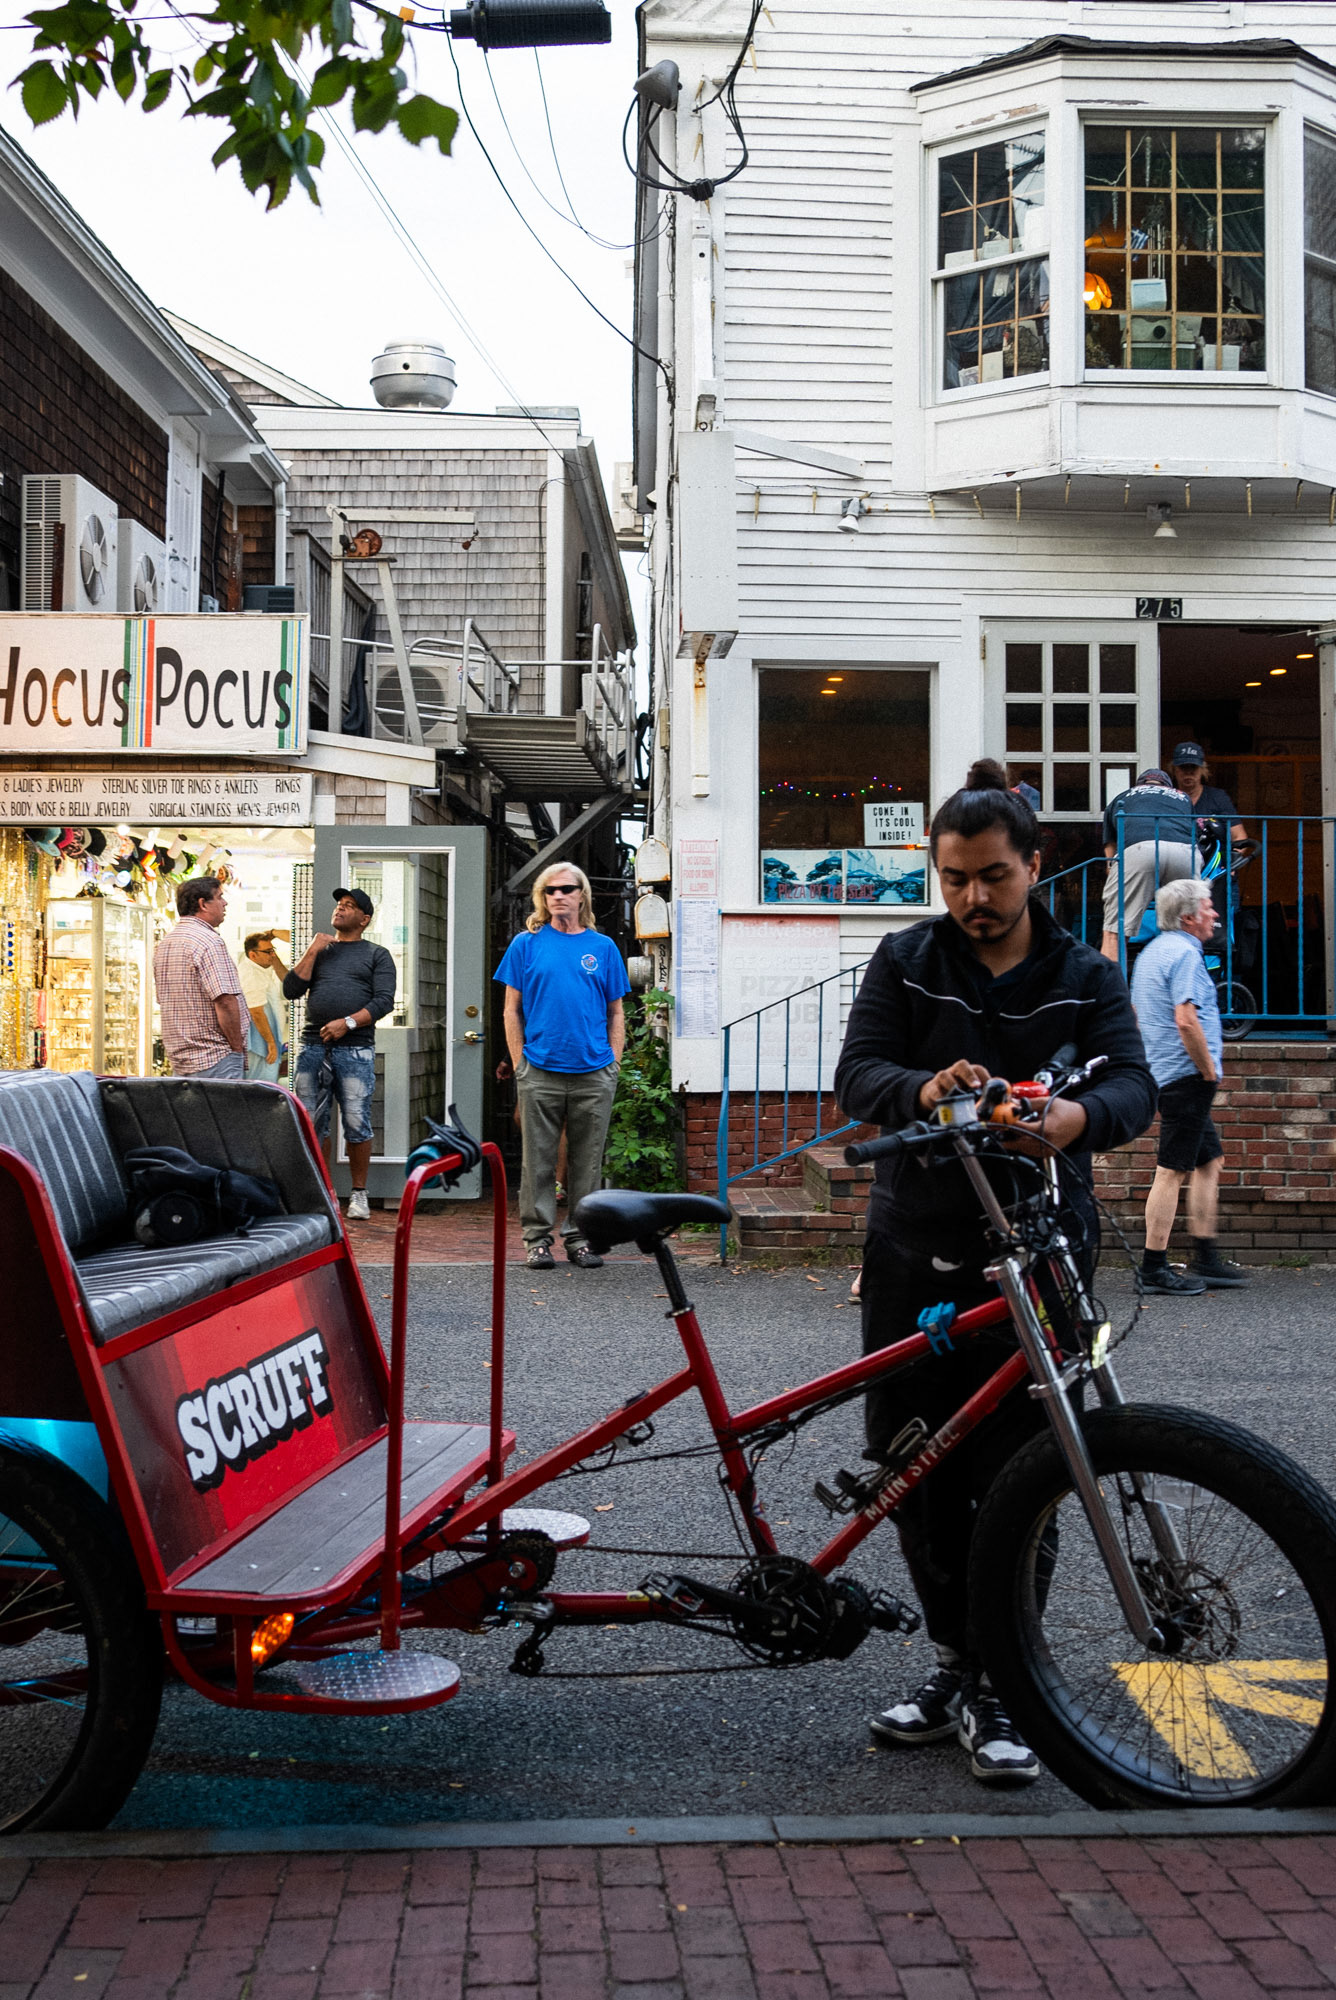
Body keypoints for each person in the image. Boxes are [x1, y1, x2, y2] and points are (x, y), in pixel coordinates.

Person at [834, 759, 1155, 1785]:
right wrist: (925, 1087)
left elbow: (1135, 1084)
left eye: (992, 875)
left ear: (1035, 865)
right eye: (954, 877)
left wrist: (1074, 1118)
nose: (972, 896)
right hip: (915, 1252)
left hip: (1043, 1250)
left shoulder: (1085, 973)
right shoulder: (906, 958)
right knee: (915, 1466)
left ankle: (1003, 1678)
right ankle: (956, 1665)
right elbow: (857, 1074)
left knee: (1031, 1470)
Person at [495, 863, 629, 1271]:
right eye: (550, 890)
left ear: (581, 894)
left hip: (594, 1071)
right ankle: (537, 1240)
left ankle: (580, 1238)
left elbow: (616, 1012)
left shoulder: (603, 947)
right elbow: (511, 1010)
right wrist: (520, 1063)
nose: (558, 895)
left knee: (587, 1163)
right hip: (540, 1070)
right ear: (542, 897)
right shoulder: (526, 944)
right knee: (537, 1162)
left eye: (566, 889)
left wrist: (614, 1064)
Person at [1130, 877, 1250, 1295]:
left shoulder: (1151, 953)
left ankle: (1206, 1257)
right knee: (1171, 1170)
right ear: (1187, 917)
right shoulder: (1184, 954)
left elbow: (1137, 1015)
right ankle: (1153, 1268)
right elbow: (1186, 1020)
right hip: (1187, 1077)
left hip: (1167, 1073)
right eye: (1208, 907)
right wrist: (1208, 1070)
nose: (1214, 914)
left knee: (1208, 1161)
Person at [283, 889, 396, 1222]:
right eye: (339, 904)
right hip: (312, 1047)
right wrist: (313, 949)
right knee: (311, 1122)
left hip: (355, 1049)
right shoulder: (320, 950)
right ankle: (323, 1194)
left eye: (349, 906)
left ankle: (359, 1193)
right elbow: (291, 990)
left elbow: (384, 1001)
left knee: (357, 1121)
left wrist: (347, 1023)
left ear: (364, 919)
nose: (340, 909)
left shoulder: (377, 954)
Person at [153, 875, 248, 1080]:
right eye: (219, 897)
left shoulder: (166, 944)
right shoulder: (209, 942)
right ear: (203, 904)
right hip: (215, 1057)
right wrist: (237, 1048)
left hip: (181, 1060)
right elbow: (225, 1001)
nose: (225, 903)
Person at [1100, 769, 1199, 962]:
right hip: (1184, 853)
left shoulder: (1123, 797)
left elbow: (1110, 843)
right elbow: (1194, 831)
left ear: (1140, 785)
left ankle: (1111, 981)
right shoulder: (1182, 797)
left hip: (1139, 850)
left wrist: (1111, 868)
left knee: (1114, 932)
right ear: (1167, 787)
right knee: (1187, 926)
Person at [1169, 742, 1247, 854]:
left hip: (1215, 861)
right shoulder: (1168, 798)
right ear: (1174, 769)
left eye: (1193, 767)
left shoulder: (1218, 797)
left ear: (1202, 769)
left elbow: (1239, 836)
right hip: (1177, 860)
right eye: (1183, 767)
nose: (1188, 773)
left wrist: (1231, 861)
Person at [238, 930, 290, 1082]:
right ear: (253, 955)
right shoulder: (251, 974)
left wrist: (274, 933)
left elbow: (287, 979)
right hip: (260, 1046)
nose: (272, 955)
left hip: (264, 1043)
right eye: (268, 952)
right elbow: (256, 1012)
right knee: (260, 1087)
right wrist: (271, 1043)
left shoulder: (260, 969)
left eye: (273, 950)